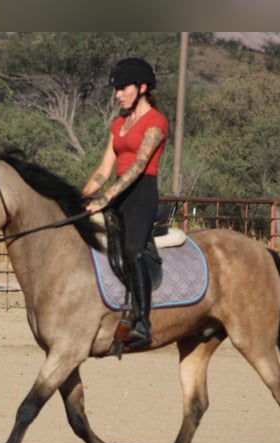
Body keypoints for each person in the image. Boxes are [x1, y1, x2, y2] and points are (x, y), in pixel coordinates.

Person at [82, 57, 168, 349]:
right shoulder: (118, 123)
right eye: (116, 89)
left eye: (122, 88)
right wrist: (80, 197)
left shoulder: (156, 122)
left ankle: (142, 323)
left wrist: (107, 197)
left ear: (142, 87)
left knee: (132, 251)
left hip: (141, 192)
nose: (117, 94)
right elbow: (104, 170)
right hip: (119, 192)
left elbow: (139, 165)